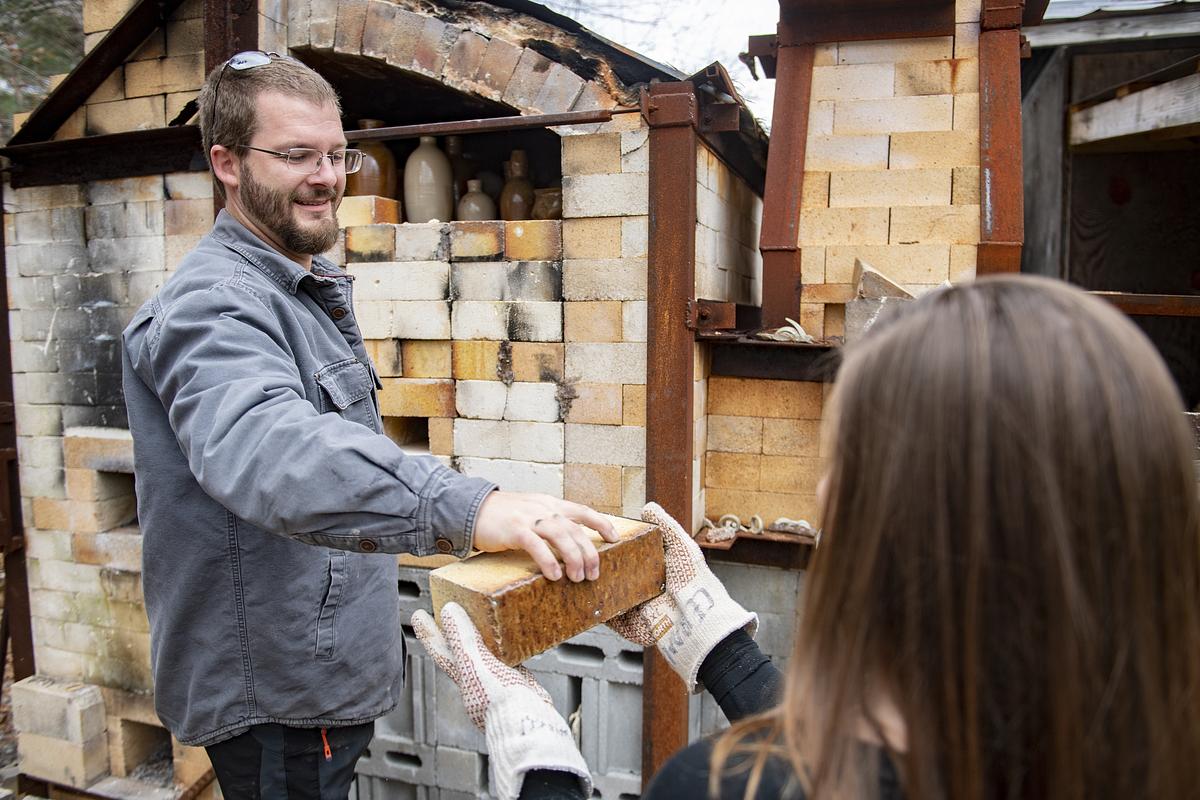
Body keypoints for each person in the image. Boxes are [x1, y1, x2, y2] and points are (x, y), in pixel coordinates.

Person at [416, 275, 1200, 799]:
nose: (824, 493)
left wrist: (536, 758)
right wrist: (721, 649)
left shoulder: (725, 787)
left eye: (843, 461)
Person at [120, 51, 615, 798]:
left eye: (334, 153)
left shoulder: (292, 286)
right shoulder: (212, 307)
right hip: (280, 697)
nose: (328, 177)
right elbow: (269, 450)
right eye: (295, 156)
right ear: (225, 162)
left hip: (319, 677)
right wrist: (471, 506)